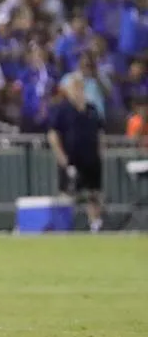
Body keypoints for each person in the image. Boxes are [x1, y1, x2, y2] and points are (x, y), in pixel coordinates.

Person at [47, 73, 105, 232]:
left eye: (80, 87)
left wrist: (100, 152)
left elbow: (99, 132)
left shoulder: (92, 109)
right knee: (67, 193)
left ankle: (95, 225)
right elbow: (53, 134)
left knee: (93, 193)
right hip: (71, 159)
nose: (78, 91)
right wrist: (61, 157)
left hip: (91, 159)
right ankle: (63, 225)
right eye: (74, 87)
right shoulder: (62, 109)